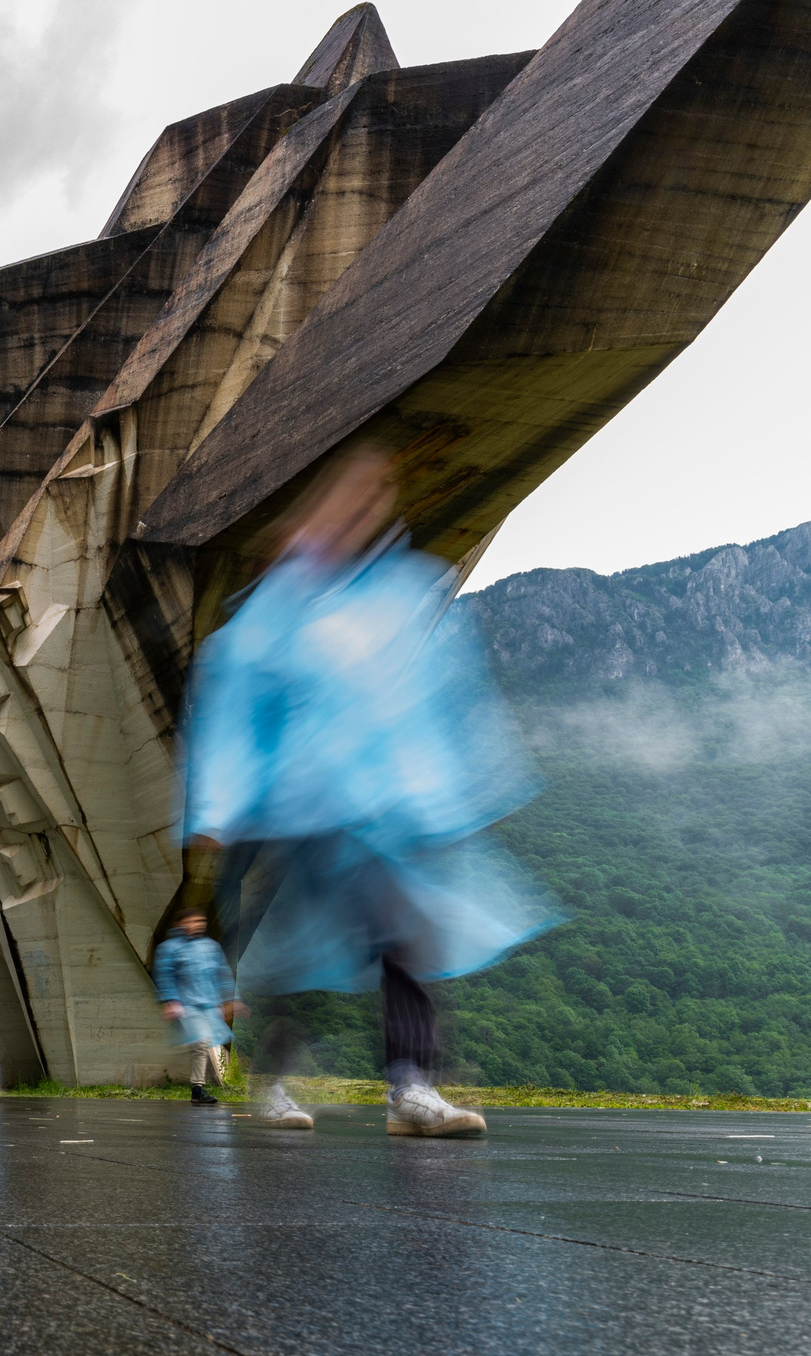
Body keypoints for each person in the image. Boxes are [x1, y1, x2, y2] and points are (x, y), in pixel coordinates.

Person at [184, 450, 555, 1138]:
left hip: (381, 814)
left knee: (403, 937)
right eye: (344, 502)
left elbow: (439, 695)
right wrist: (217, 807)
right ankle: (273, 1078)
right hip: (299, 812)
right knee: (295, 961)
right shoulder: (277, 607)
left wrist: (454, 792)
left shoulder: (400, 592)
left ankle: (411, 1088)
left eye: (370, 501)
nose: (356, 514)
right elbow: (236, 705)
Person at [153, 912, 242, 1106]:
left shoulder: (210, 946)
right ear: (180, 923)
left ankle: (197, 1089)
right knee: (202, 1042)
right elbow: (165, 975)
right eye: (191, 921)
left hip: (209, 1005)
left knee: (209, 1041)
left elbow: (222, 974)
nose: (196, 925)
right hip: (187, 1005)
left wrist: (231, 1000)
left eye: (200, 921)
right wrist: (170, 1001)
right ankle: (197, 1090)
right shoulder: (169, 948)